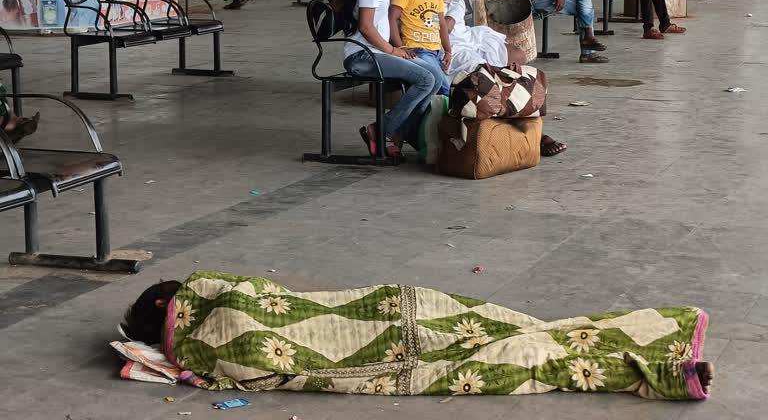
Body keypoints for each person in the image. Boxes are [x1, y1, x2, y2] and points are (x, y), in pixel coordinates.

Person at [121, 270, 716, 398]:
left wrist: (186, 369)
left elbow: (268, 357)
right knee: (526, 334)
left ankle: (660, 362)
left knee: (522, 355)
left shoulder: (198, 356)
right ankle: (660, 355)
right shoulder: (215, 294)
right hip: (396, 307)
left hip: (380, 333)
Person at [385, 0, 566, 156]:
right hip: (431, 44)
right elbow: (389, 20)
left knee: (513, 64)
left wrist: (450, 18)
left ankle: (522, 127)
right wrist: (399, 47)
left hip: (457, 35)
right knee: (485, 79)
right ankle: (523, 131)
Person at [340, 0, 441, 157]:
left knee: (434, 76)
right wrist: (393, 50)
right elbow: (366, 27)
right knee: (426, 80)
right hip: (363, 55)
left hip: (373, 52)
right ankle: (382, 129)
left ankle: (397, 130)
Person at [389, 0, 452, 95]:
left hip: (436, 52)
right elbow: (391, 18)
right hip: (418, 51)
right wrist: (400, 47)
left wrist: (448, 51)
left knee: (439, 90)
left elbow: (442, 24)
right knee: (445, 89)